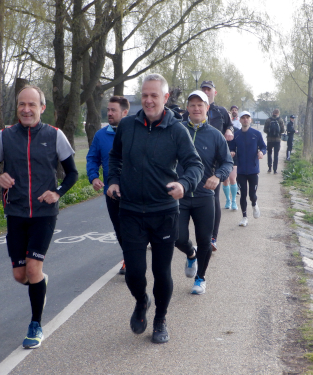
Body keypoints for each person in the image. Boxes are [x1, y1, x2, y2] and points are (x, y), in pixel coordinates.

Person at [107, 74, 203, 344]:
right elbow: (114, 157)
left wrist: (185, 184)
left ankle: (160, 319)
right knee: (135, 272)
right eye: (145, 95)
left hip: (164, 212)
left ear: (165, 98)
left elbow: (194, 164)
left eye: (154, 96)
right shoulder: (127, 126)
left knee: (162, 272)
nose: (149, 100)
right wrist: (113, 180)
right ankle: (141, 301)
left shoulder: (177, 130)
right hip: (131, 211)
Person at [0, 85, 78, 349]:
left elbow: (72, 173)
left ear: (42, 108)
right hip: (15, 212)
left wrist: (57, 193)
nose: (26, 109)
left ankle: (35, 325)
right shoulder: (5, 136)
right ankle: (39, 283)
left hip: (44, 214)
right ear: (17, 108)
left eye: (32, 105)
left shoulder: (55, 135)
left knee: (33, 268)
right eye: (22, 104)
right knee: (19, 275)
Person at [175, 90, 233, 295]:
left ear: (207, 108)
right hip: (179, 196)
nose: (196, 108)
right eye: (192, 105)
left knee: (205, 240)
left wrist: (218, 176)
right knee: (178, 237)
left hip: (204, 197)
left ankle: (200, 277)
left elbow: (227, 161)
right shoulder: (177, 130)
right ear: (187, 109)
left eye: (200, 105)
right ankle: (191, 254)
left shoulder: (215, 135)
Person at [186, 80, 234, 251]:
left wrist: (229, 130)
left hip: (212, 163)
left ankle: (212, 237)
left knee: (213, 201)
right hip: (186, 178)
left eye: (209, 89)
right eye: (203, 89)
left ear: (215, 92)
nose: (196, 108)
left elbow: (230, 125)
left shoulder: (221, 111)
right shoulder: (184, 123)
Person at [86, 96, 130, 274]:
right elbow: (92, 158)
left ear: (125, 112)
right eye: (108, 110)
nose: (109, 113)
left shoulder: (134, 132)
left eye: (113, 110)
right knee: (119, 229)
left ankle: (132, 257)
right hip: (112, 192)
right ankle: (128, 257)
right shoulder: (101, 135)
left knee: (132, 228)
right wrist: (94, 177)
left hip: (134, 191)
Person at [228, 111, 266, 227]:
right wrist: (232, 152)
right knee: (243, 194)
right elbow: (232, 147)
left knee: (252, 194)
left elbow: (264, 147)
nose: (245, 120)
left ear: (250, 120)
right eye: (243, 118)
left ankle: (254, 204)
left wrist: (261, 152)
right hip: (241, 170)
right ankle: (244, 217)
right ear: (240, 120)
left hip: (253, 169)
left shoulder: (256, 134)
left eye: (247, 118)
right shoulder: (237, 135)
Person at [223, 105, 240, 211]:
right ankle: (227, 200)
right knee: (225, 180)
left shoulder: (237, 130)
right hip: (222, 157)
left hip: (234, 157)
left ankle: (234, 200)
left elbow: (240, 144)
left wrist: (234, 151)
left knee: (232, 178)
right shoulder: (220, 129)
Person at [263, 109, 285, 174]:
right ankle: (275, 170)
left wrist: (269, 133)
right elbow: (283, 130)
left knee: (269, 153)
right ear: (278, 113)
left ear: (273, 113)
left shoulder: (268, 120)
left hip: (269, 140)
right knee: (276, 155)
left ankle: (269, 168)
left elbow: (265, 130)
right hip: (277, 140)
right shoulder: (280, 120)